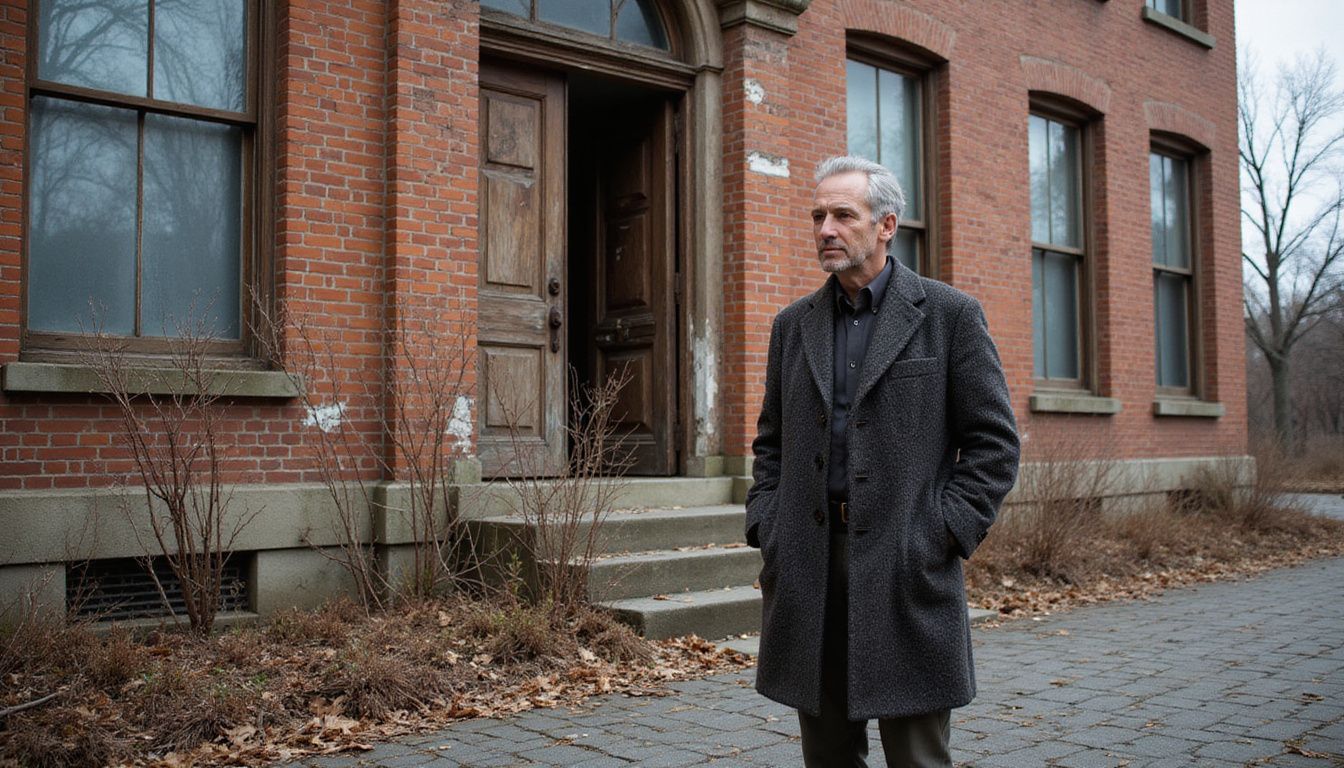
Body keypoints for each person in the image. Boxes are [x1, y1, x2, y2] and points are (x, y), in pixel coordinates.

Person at [745, 155, 1020, 767]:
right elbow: (772, 443)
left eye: (843, 214)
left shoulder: (949, 316)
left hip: (906, 561)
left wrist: (941, 530)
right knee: (828, 756)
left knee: (917, 757)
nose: (825, 229)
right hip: (811, 565)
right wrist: (770, 527)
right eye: (818, 216)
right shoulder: (793, 326)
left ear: (887, 224)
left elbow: (994, 444)